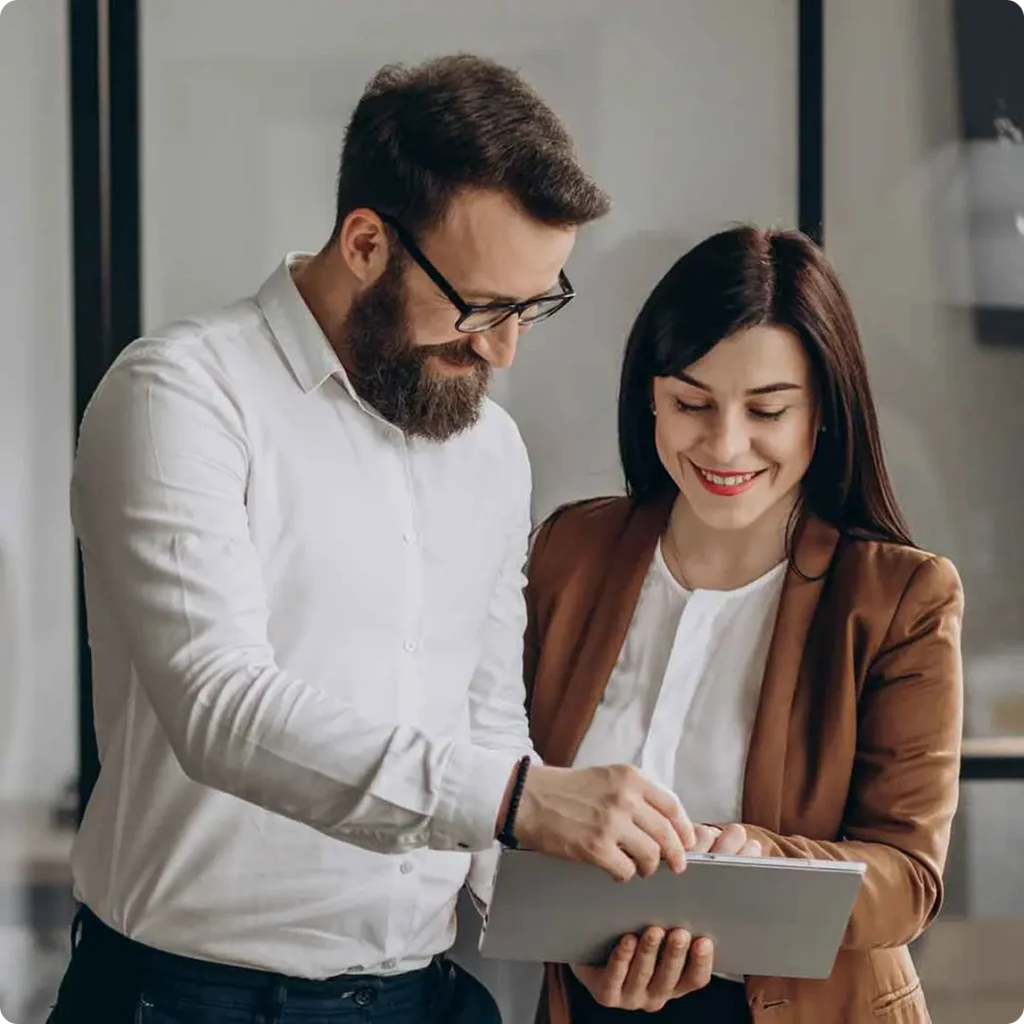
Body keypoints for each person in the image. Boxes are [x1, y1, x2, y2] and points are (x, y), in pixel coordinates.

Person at [52, 55, 705, 1024]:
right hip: (193, 999)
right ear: (364, 241)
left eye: (532, 306)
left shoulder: (489, 448)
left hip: (428, 993)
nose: (502, 348)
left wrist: (570, 933)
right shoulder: (181, 396)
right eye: (480, 307)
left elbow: (483, 718)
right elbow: (219, 706)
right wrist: (519, 796)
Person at [521, 226, 964, 1024]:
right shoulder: (570, 552)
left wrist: (766, 861)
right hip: (583, 1003)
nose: (725, 444)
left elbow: (909, 882)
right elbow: (502, 787)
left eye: (767, 411)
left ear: (822, 413)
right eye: (692, 403)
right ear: (649, 394)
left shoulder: (901, 596)